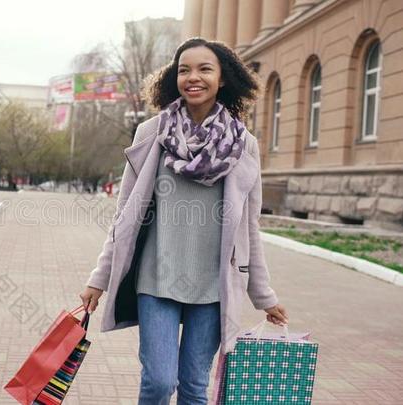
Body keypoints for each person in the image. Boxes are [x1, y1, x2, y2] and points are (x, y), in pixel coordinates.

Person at [79, 37, 289, 405]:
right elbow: (125, 214)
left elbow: (249, 229)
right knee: (159, 381)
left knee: (194, 386)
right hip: (156, 278)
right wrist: (99, 278)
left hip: (213, 285)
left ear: (223, 78)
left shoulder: (243, 144)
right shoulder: (152, 133)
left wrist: (264, 296)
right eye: (184, 70)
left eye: (205, 69)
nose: (194, 77)